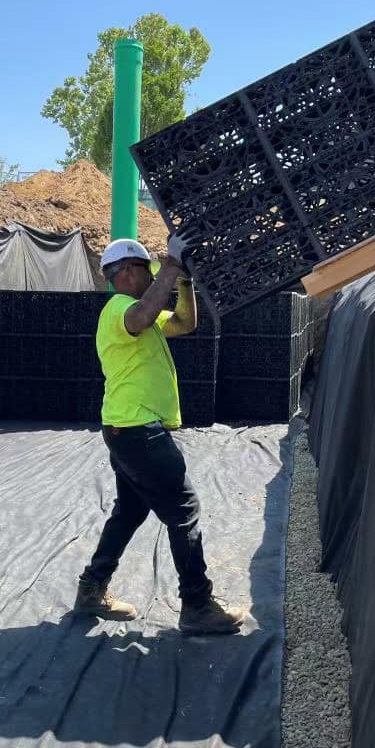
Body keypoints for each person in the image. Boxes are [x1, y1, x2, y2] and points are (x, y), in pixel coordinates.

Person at [73, 236, 243, 635]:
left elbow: (185, 323)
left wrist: (182, 279)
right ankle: (198, 605)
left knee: (130, 511)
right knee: (185, 512)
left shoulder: (141, 314)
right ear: (127, 272)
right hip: (137, 432)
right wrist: (170, 263)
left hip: (126, 430)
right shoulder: (120, 310)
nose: (152, 278)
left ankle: (91, 590)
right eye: (147, 271)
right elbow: (142, 317)